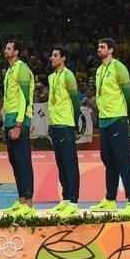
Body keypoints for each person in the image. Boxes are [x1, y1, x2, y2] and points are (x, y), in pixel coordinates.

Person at [88, 38, 130, 217]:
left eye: (102, 47)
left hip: (117, 118)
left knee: (123, 160)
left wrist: (127, 115)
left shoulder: (119, 67)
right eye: (98, 46)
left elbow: (129, 96)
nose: (98, 49)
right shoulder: (100, 70)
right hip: (104, 120)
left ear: (111, 50)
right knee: (108, 159)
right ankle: (110, 199)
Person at [1, 41, 36, 217]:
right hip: (9, 119)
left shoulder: (22, 69)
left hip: (19, 120)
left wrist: (19, 124)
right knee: (14, 161)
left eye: (8, 48)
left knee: (23, 160)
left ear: (16, 51)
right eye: (5, 48)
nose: (5, 51)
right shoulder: (9, 70)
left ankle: (28, 201)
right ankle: (21, 199)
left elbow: (24, 98)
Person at [47, 48, 82, 217]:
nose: (51, 58)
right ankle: (66, 198)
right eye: (52, 55)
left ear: (63, 58)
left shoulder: (68, 75)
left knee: (70, 163)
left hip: (66, 124)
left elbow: (75, 100)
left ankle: (74, 201)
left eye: (55, 56)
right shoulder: (51, 77)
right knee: (61, 163)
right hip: (55, 125)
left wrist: (74, 121)